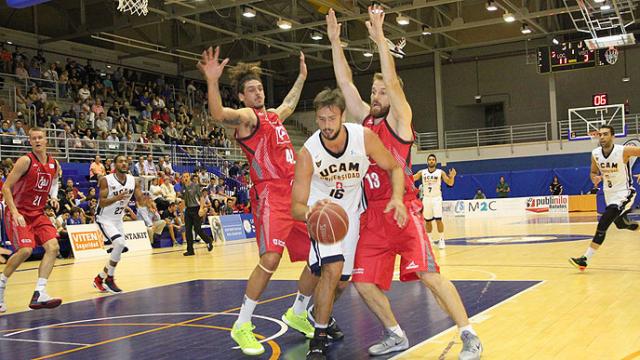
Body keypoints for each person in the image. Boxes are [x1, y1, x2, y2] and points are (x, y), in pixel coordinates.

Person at [328, 6, 482, 359]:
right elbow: (345, 84)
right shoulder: (365, 122)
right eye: (375, 91)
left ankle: (469, 334)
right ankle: (395, 333)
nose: (377, 95)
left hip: (404, 212)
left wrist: (381, 39)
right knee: (363, 281)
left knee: (429, 277)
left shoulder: (400, 123)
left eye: (382, 91)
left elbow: (394, 83)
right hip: (374, 217)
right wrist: (336, 43)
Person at [198, 45, 318, 355]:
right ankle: (242, 324)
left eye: (260, 88)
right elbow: (219, 114)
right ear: (242, 96)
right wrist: (212, 81)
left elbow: (290, 102)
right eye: (251, 90)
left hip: (295, 194)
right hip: (270, 195)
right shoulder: (248, 119)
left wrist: (302, 77)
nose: (258, 93)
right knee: (270, 259)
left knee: (319, 257)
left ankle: (298, 311)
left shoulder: (274, 116)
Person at [292, 88, 407, 360]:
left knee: (342, 283)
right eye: (321, 119)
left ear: (342, 116)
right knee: (331, 270)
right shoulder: (309, 152)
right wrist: (311, 211)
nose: (326, 125)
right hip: (323, 217)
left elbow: (394, 167)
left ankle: (319, 313)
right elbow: (295, 207)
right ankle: (317, 340)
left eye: (331, 118)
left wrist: (398, 198)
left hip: (352, 216)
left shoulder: (362, 137)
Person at [0, 127, 62, 313]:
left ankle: (39, 292)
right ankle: (1, 286)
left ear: (46, 140)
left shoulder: (54, 163)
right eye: (33, 138)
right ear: (30, 141)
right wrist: (15, 212)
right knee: (26, 250)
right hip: (18, 211)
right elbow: (6, 188)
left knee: (53, 247)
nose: (37, 141)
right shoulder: (25, 161)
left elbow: (55, 182)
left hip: (38, 212)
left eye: (40, 138)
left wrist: (54, 196)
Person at [570, 125, 639, 270]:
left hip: (624, 193)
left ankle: (584, 259)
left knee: (603, 223)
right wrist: (594, 178)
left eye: (605, 134)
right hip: (609, 194)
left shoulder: (623, 151)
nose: (602, 137)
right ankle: (634, 226)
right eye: (600, 134)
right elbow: (593, 172)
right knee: (620, 224)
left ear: (613, 136)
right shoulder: (595, 153)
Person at [93, 154, 147, 294]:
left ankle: (100, 278)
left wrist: (142, 196)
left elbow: (140, 200)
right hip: (104, 218)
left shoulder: (132, 180)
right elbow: (102, 202)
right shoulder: (106, 180)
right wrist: (116, 198)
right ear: (114, 165)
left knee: (117, 252)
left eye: (126, 162)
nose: (124, 164)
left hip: (118, 219)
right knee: (120, 244)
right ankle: (109, 279)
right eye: (120, 162)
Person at [413, 154, 456, 250]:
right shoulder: (422, 172)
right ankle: (429, 239)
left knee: (438, 219)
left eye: (433, 160)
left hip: (436, 198)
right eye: (430, 160)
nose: (431, 161)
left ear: (435, 162)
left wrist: (452, 177)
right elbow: (411, 178)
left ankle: (441, 239)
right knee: (427, 221)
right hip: (426, 198)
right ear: (427, 162)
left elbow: (450, 183)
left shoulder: (440, 172)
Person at [179, 172, 214, 256]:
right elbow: (183, 201)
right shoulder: (183, 188)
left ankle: (208, 240)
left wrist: (201, 208)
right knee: (188, 231)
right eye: (184, 177)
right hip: (188, 210)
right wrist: (181, 212)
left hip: (196, 209)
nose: (185, 178)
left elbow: (201, 197)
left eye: (187, 176)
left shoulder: (195, 186)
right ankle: (190, 250)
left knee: (197, 229)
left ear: (189, 177)